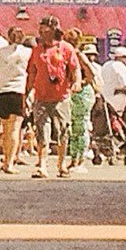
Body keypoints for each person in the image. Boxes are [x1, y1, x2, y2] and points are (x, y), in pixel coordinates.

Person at [25, 18, 83, 179]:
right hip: (41, 97)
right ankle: (42, 165)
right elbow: (31, 73)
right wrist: (27, 93)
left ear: (53, 30)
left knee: (63, 131)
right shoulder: (37, 50)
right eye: (41, 30)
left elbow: (75, 68)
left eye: (45, 30)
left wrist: (77, 82)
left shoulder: (66, 48)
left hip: (61, 97)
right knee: (42, 131)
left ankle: (61, 164)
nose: (42, 33)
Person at [0, 23, 33, 172]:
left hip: (0, 93)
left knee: (6, 128)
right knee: (14, 129)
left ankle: (6, 159)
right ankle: (9, 163)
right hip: (17, 92)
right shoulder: (28, 52)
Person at [65, 42, 97, 171]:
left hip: (82, 93)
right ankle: (74, 159)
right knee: (72, 128)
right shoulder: (69, 54)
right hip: (73, 93)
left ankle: (81, 160)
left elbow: (91, 74)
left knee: (81, 126)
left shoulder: (79, 56)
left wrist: (80, 83)